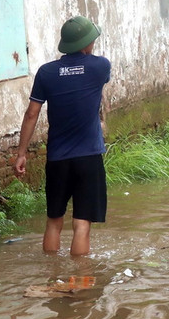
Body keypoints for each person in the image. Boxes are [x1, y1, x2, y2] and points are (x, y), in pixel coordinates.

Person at [14, 15, 111, 256]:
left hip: (57, 159)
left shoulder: (46, 72)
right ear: (86, 43)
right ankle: (80, 282)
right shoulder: (100, 67)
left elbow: (31, 114)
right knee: (81, 224)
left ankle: (52, 274)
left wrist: (21, 153)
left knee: (54, 221)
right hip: (88, 157)